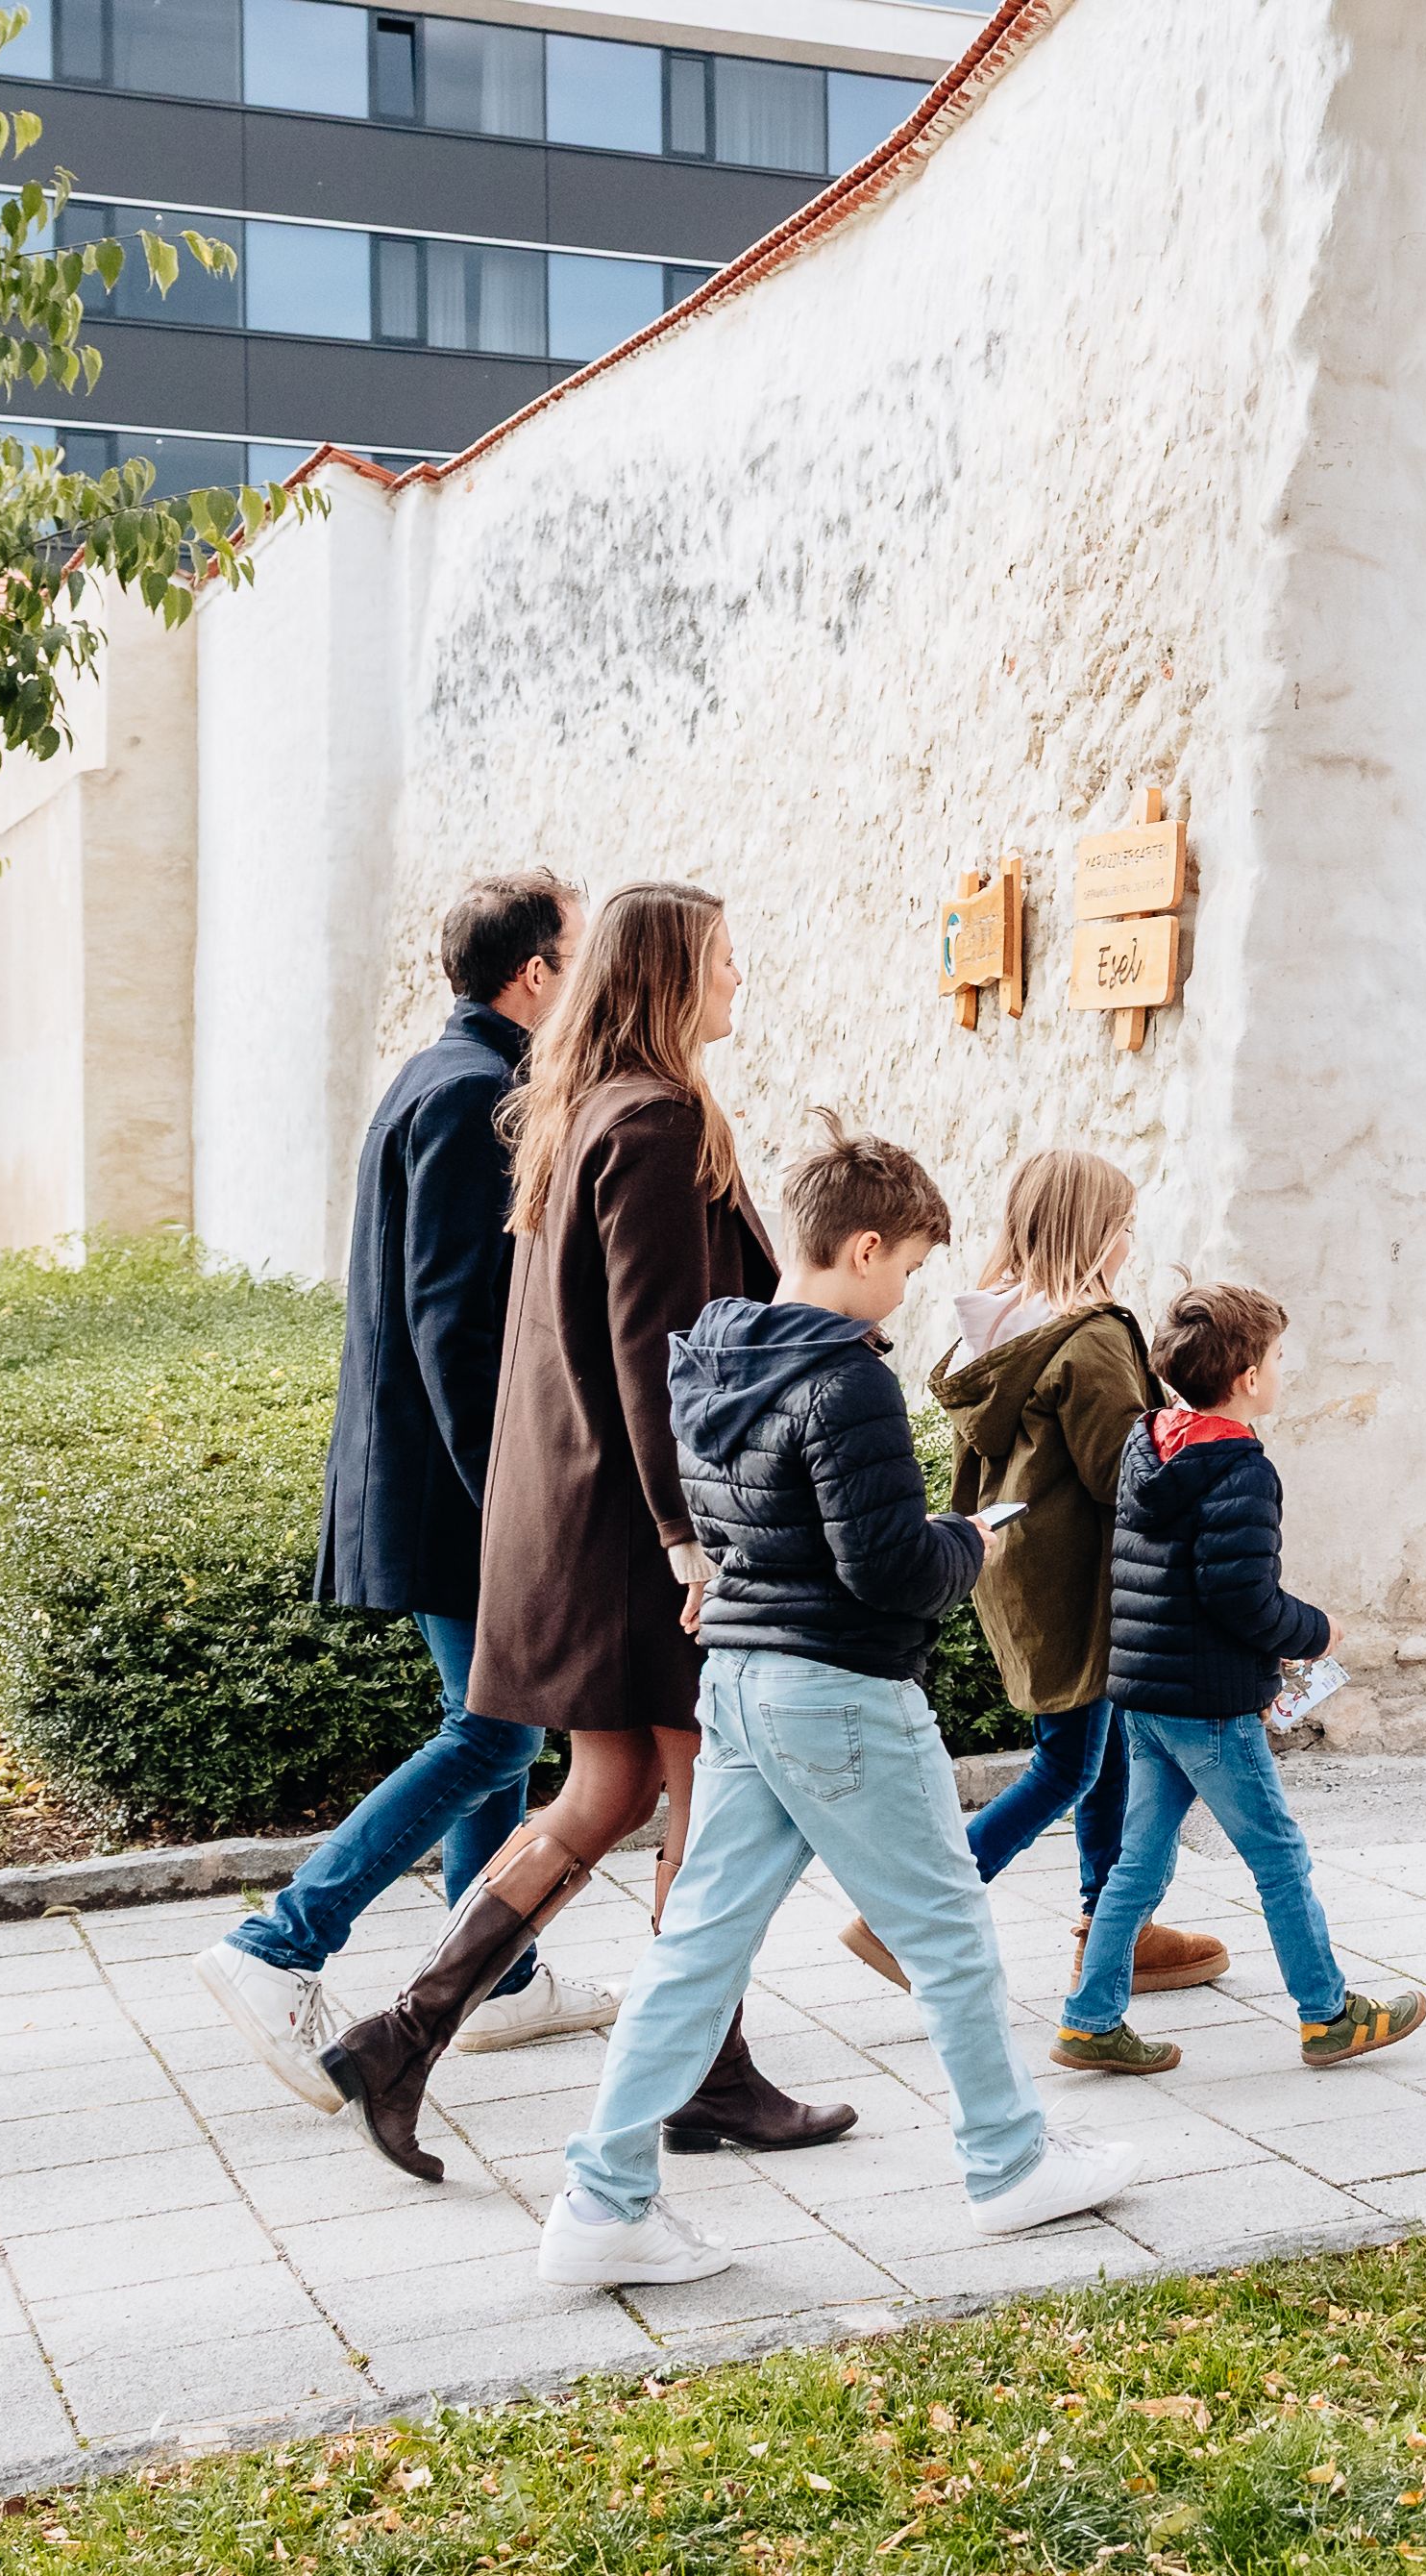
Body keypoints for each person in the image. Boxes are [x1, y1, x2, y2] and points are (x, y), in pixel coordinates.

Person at [538, 1113, 1145, 2287]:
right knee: (952, 1935)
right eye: (911, 1268)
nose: (910, 1292)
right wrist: (967, 1543)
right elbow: (885, 1567)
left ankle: (602, 2200)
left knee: (696, 1949)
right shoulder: (846, 1382)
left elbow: (733, 1535)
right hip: (842, 1694)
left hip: (743, 1686)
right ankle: (1010, 2164)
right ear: (864, 1248)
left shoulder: (711, 1351)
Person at [319, 879, 855, 2182]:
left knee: (606, 1790)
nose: (740, 980)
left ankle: (401, 2036)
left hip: (574, 1516)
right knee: (705, 1806)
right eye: (724, 960)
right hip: (635, 1536)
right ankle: (702, 2081)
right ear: (673, 977)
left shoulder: (577, 1111)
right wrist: (691, 1537)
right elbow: (653, 1346)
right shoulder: (658, 1121)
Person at [197, 873, 614, 2108]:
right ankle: (280, 1942)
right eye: (573, 957)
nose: (581, 977)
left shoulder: (442, 1077)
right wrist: (510, 1500)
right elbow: (451, 1322)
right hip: (454, 1488)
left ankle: (502, 1972)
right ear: (532, 974)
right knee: (492, 1730)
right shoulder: (478, 1094)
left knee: (504, 1730)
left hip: (437, 1480)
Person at [830, 1150, 1228, 2000]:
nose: (1129, 1245)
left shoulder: (997, 1326)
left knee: (1101, 1747)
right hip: (1084, 1581)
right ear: (1090, 1235)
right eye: (1123, 1228)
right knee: (1069, 1764)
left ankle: (1109, 1923)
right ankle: (906, 1922)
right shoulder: (1092, 1337)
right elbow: (1122, 1477)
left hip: (1018, 1572)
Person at [1052, 1286, 1426, 2077]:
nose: (1283, 1370)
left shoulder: (1146, 1442)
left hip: (1143, 1697)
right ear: (1249, 1377)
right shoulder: (1241, 1467)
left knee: (1138, 1864)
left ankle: (1089, 2020)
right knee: (1279, 1859)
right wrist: (1316, 1630)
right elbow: (1241, 1599)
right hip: (1211, 1708)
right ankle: (1328, 2015)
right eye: (1279, 1358)